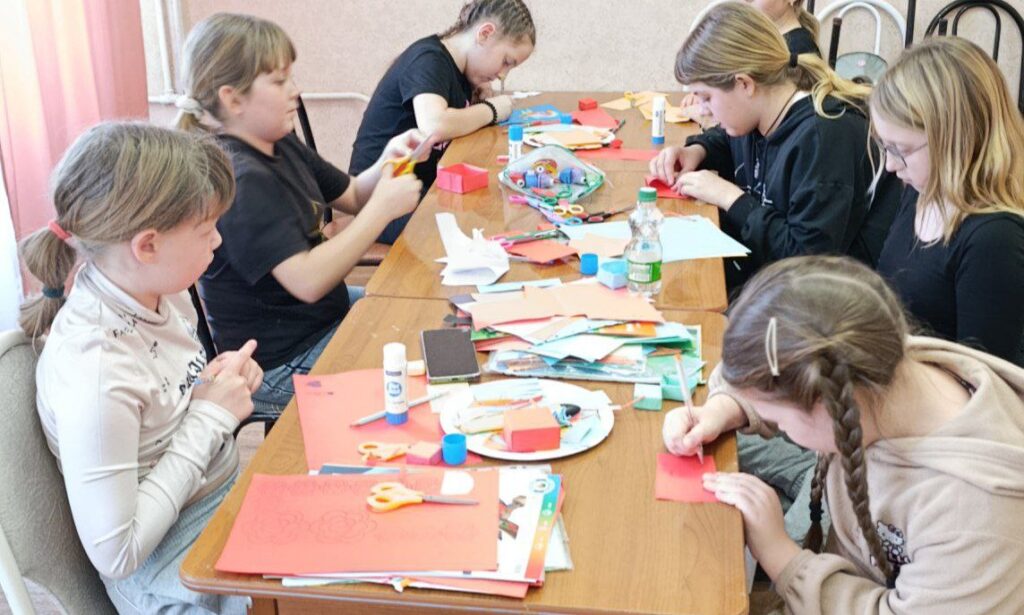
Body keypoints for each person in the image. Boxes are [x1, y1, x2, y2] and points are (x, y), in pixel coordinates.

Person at [664, 255, 1024, 613]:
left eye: (780, 419)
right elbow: (778, 372)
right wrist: (722, 409)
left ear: (831, 406)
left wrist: (778, 554)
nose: (777, 424)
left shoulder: (975, 519)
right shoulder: (874, 361)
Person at [20, 122, 257, 614]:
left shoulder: (150, 290)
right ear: (147, 245)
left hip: (218, 505)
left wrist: (211, 386)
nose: (217, 240)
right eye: (206, 229)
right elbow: (118, 553)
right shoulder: (96, 370)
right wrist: (210, 418)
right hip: (170, 578)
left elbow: (161, 409)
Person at [176, 13, 426, 417]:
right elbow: (308, 281)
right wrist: (381, 212)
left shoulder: (278, 141)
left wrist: (388, 161)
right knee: (414, 359)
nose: (296, 90)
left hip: (320, 319)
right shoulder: (242, 178)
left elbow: (352, 195)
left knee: (418, 311)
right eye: (280, 81)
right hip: (277, 363)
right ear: (233, 99)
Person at [652, 2, 901, 292]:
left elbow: (805, 262)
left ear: (744, 84)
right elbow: (729, 141)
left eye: (706, 97)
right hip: (776, 282)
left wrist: (731, 198)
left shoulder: (823, 138)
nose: (704, 110)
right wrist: (696, 151)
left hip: (832, 298)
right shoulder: (758, 113)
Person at [872, 37, 1024, 366]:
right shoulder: (919, 190)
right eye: (885, 146)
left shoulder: (995, 239)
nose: (890, 165)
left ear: (958, 139)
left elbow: (984, 381)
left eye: (901, 149)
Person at [349, 0, 535, 243]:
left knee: (495, 207)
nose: (502, 75)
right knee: (481, 227)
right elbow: (434, 125)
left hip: (416, 191)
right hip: (381, 203)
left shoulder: (461, 71)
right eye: (506, 61)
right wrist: (491, 110)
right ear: (485, 33)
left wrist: (477, 96)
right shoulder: (429, 59)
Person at [680, 0, 821, 122]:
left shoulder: (798, 50)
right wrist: (707, 95)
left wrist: (706, 116)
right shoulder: (758, 43)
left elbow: (762, 121)